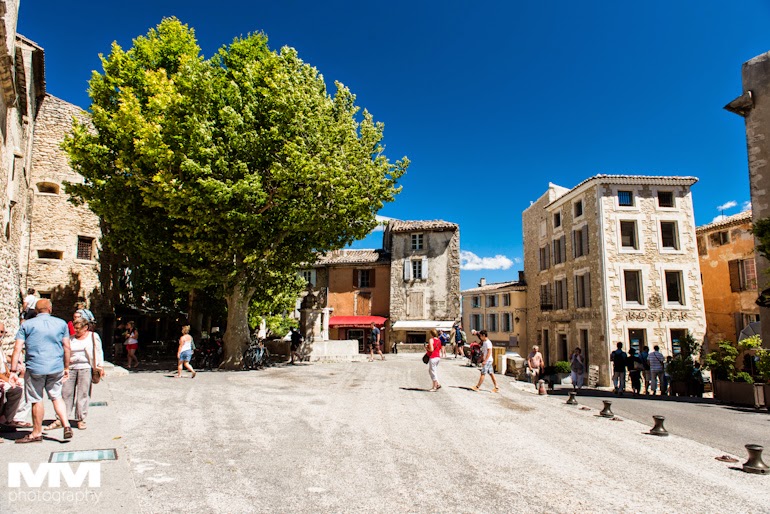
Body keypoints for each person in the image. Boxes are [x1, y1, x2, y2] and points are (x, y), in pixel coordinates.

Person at [9, 299, 74, 443]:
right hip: (56, 366)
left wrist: (13, 371)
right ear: (50, 309)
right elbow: (67, 347)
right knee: (56, 396)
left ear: (36, 311)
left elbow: (17, 348)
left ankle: (36, 433)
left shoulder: (27, 325)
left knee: (36, 399)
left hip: (35, 367)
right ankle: (66, 425)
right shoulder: (61, 324)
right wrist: (66, 367)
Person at [47, 317, 105, 430]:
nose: (76, 331)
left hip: (86, 367)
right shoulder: (70, 338)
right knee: (66, 393)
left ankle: (80, 418)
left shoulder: (93, 336)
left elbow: (98, 351)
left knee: (83, 393)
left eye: (78, 328)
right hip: (71, 367)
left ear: (86, 327)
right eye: (75, 328)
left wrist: (100, 366)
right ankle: (62, 418)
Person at [0, 322, 28, 429]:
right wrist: (8, 380)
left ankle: (9, 418)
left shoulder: (0, 345)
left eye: (2, 332)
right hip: (1, 379)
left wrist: (10, 374)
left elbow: (3, 365)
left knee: (21, 386)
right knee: (10, 388)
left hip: (3, 376)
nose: (0, 334)